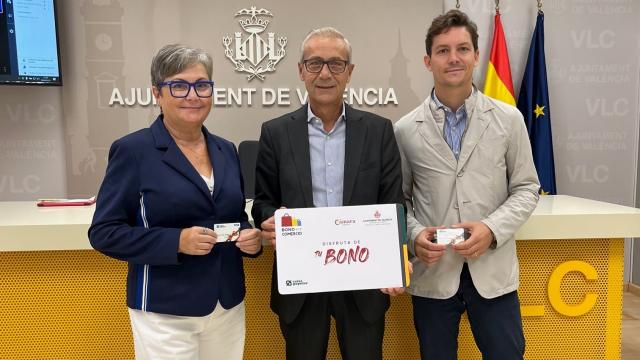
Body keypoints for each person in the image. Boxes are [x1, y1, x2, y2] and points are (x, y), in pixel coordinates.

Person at [88, 44, 262, 360]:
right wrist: (176, 241)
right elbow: (104, 232)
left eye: (202, 85)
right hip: (165, 309)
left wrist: (251, 238)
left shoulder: (225, 150)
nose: (193, 95)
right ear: (157, 93)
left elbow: (235, 216)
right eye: (179, 86)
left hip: (226, 304)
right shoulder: (133, 151)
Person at [394, 10, 541, 360]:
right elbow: (398, 199)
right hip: (434, 273)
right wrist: (414, 233)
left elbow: (527, 188)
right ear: (428, 61)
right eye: (443, 50)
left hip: (493, 272)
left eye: (462, 48)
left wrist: (491, 229)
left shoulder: (509, 119)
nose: (454, 58)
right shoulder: (404, 129)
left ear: (476, 55)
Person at [251, 27, 404, 360]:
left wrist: (394, 266)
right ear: (301, 70)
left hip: (364, 281)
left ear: (349, 72)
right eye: (315, 63)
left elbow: (393, 205)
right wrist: (270, 220)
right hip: (302, 282)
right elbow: (262, 202)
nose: (324, 73)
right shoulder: (275, 133)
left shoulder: (378, 131)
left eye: (336, 64)